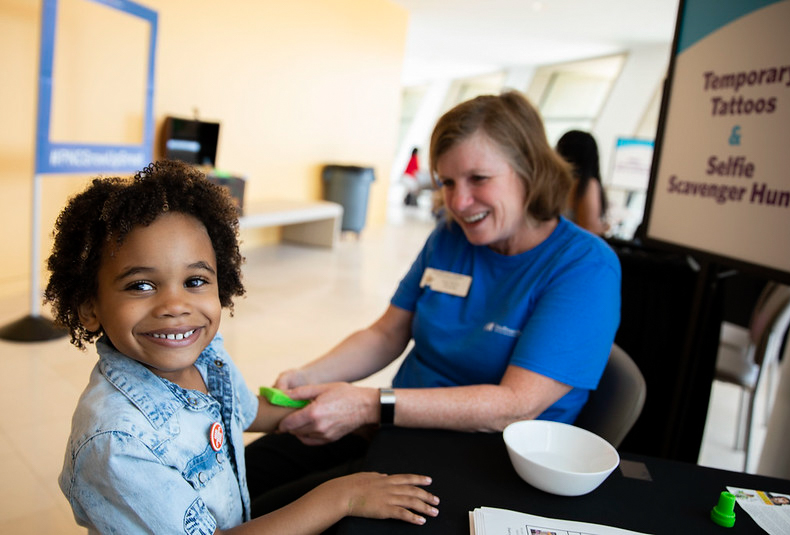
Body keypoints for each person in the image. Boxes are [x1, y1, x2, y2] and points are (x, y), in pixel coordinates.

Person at [245, 91, 621, 506]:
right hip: (394, 427)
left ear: (529, 171)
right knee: (242, 477)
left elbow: (514, 406)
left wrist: (371, 405)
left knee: (275, 514)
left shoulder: (585, 267)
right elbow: (387, 333)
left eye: (478, 179)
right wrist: (309, 376)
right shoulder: (450, 236)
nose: (458, 203)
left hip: (478, 459)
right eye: (447, 182)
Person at [46, 160, 439, 534]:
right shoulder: (117, 443)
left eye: (195, 281)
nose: (175, 306)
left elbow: (244, 411)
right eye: (141, 285)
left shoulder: (206, 353)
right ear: (89, 308)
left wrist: (324, 409)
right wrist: (343, 497)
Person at [555, 130, 610, 235]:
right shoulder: (587, 185)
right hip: (573, 248)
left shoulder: (552, 184)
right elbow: (589, 228)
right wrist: (604, 227)